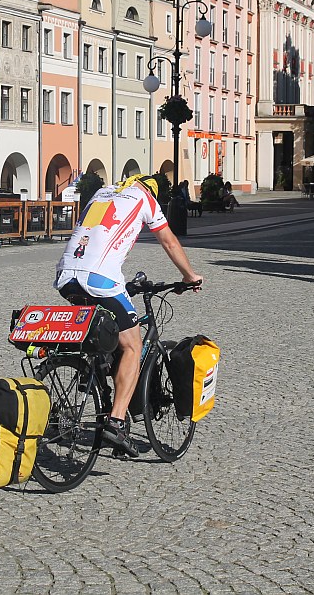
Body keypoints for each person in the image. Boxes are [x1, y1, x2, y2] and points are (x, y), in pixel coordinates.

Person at [55, 174, 203, 456]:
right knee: (133, 346)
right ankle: (116, 420)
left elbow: (97, 236)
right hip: (99, 280)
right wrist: (189, 276)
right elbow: (169, 241)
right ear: (152, 191)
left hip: (66, 278)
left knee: (105, 338)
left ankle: (96, 375)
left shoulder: (101, 194)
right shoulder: (144, 198)